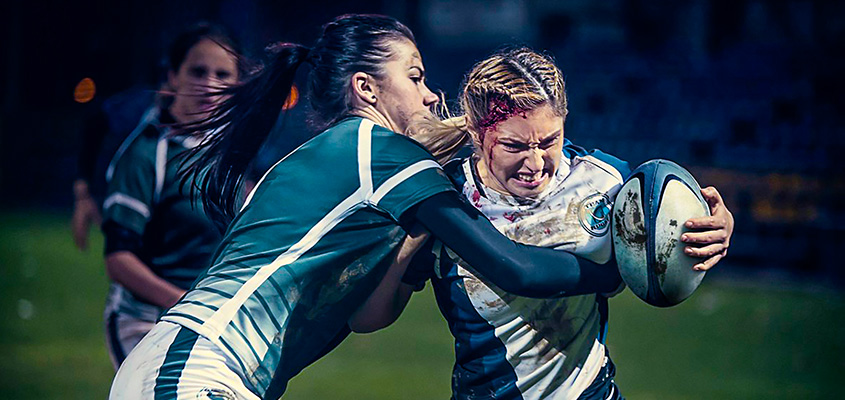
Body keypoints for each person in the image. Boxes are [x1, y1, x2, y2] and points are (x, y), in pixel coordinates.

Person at [109, 15, 628, 400]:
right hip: (197, 372)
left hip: (182, 367)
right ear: (366, 88)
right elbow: (515, 267)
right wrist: (617, 270)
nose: (430, 96)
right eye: (416, 76)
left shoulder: (337, 163)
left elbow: (365, 317)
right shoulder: (376, 151)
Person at [351, 47, 734, 399]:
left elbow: (665, 237)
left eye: (549, 141)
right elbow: (369, 318)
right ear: (476, 134)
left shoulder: (605, 181)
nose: (535, 164)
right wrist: (408, 242)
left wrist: (715, 226)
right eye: (514, 146)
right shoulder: (445, 202)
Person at [100, 23, 242, 369]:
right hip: (148, 323)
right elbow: (118, 259)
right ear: (172, 77)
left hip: (210, 325)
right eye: (198, 71)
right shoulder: (147, 153)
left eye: (223, 75)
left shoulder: (233, 153)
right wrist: (185, 303)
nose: (210, 84)